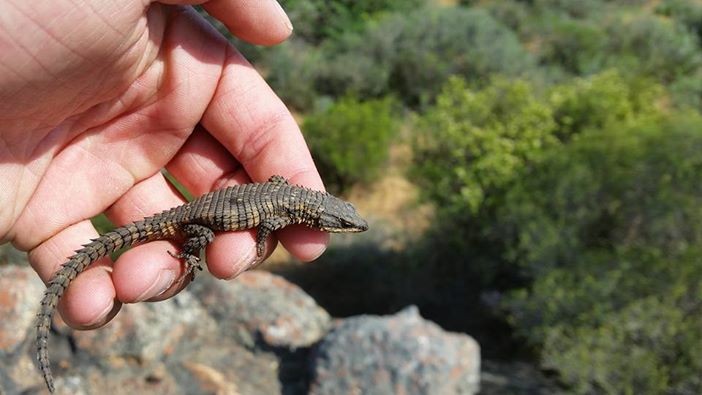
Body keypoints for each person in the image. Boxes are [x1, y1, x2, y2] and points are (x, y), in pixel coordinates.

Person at [0, 1, 328, 330]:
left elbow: (271, 189)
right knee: (200, 244)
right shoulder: (284, 211)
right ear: (320, 216)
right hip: (198, 221)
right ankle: (186, 255)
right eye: (340, 224)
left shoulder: (285, 196)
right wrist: (238, 246)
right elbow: (268, 226)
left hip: (207, 207)